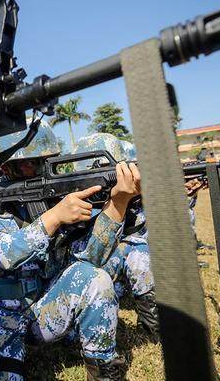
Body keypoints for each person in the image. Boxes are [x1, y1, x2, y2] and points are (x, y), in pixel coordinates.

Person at [0, 121, 140, 381]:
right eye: (32, 163)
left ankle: (104, 372)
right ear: (5, 166)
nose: (42, 169)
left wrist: (119, 202)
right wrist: (53, 217)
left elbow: (91, 258)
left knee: (94, 278)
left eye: (48, 160)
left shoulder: (56, 192)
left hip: (45, 307)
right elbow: (3, 254)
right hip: (3, 315)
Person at [72, 134, 158, 340]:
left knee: (139, 251)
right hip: (83, 274)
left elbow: (139, 228)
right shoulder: (76, 200)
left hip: (110, 269)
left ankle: (153, 325)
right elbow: (86, 253)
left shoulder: (122, 194)